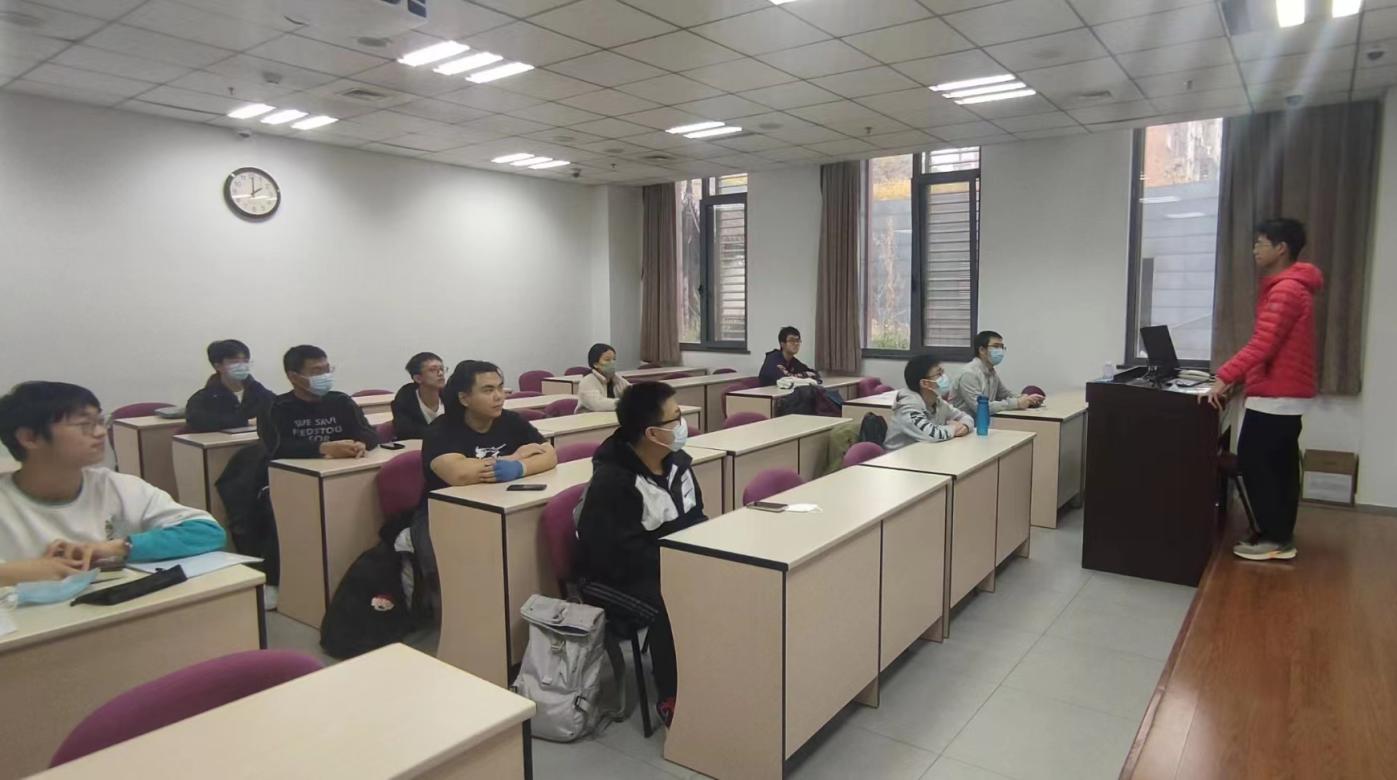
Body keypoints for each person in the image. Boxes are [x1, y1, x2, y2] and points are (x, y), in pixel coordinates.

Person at [0, 381, 226, 585]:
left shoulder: (117, 487)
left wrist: (118, 547)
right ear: (29, 438)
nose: (100, 433)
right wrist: (23, 572)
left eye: (100, 422)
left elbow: (207, 532)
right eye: (84, 424)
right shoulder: (6, 503)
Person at [575, 381, 705, 728]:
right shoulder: (613, 482)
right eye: (675, 417)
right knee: (672, 600)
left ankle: (711, 670)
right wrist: (680, 567)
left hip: (667, 561)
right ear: (651, 432)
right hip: (612, 578)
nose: (683, 423)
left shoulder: (677, 464)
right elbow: (613, 555)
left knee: (725, 577)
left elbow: (696, 516)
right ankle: (672, 697)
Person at [1205, 218, 1323, 562]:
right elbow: (1270, 346)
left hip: (1277, 395)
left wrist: (1224, 377)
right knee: (1280, 466)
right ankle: (1278, 533)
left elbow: (1263, 344)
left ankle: (1275, 539)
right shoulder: (1290, 287)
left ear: (1281, 248)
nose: (1255, 249)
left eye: (1261, 243)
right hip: (1281, 393)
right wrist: (1237, 378)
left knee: (1257, 462)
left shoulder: (1286, 290)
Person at [258, 345, 379, 460]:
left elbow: (369, 434)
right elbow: (275, 447)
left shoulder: (341, 401)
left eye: (327, 370)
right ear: (293, 377)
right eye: (317, 371)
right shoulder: (276, 407)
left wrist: (361, 443)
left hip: (344, 465)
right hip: (298, 470)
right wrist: (322, 448)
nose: (325, 376)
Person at [885, 353, 975, 451]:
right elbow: (932, 434)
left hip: (926, 452)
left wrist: (965, 426)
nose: (945, 377)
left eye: (943, 373)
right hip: (900, 457)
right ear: (925, 383)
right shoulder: (907, 408)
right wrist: (954, 428)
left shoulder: (937, 401)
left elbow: (965, 417)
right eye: (939, 374)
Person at [185, 339, 276, 433]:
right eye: (235, 362)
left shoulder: (259, 392)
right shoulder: (203, 398)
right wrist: (245, 422)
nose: (242, 366)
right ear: (218, 366)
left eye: (245, 361)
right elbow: (197, 421)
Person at [950, 331, 1043, 416]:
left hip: (984, 422)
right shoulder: (969, 373)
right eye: (996, 346)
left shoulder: (991, 372)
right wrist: (1017, 403)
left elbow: (1005, 394)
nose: (1000, 350)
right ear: (982, 350)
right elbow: (980, 407)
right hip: (964, 425)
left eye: (1001, 347)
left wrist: (1027, 398)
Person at [391, 352, 446, 440]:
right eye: (433, 370)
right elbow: (406, 433)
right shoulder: (405, 399)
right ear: (418, 378)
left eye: (442, 369)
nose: (440, 373)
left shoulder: (450, 395)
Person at [576, 343, 631, 412]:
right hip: (588, 417)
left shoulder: (617, 379)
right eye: (607, 360)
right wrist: (625, 403)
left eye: (614, 359)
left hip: (610, 417)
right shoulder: (587, 381)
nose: (612, 363)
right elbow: (597, 404)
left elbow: (634, 394)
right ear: (595, 364)